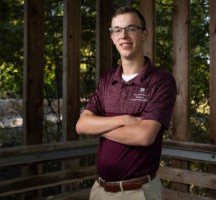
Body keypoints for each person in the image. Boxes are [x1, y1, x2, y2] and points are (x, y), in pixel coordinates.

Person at [76, 6, 177, 200]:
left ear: (144, 34)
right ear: (112, 37)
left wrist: (98, 127)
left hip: (138, 192)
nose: (123, 35)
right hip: (99, 190)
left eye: (131, 28)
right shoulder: (107, 81)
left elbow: (144, 136)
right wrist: (124, 120)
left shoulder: (161, 81)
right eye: (117, 30)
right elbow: (81, 125)